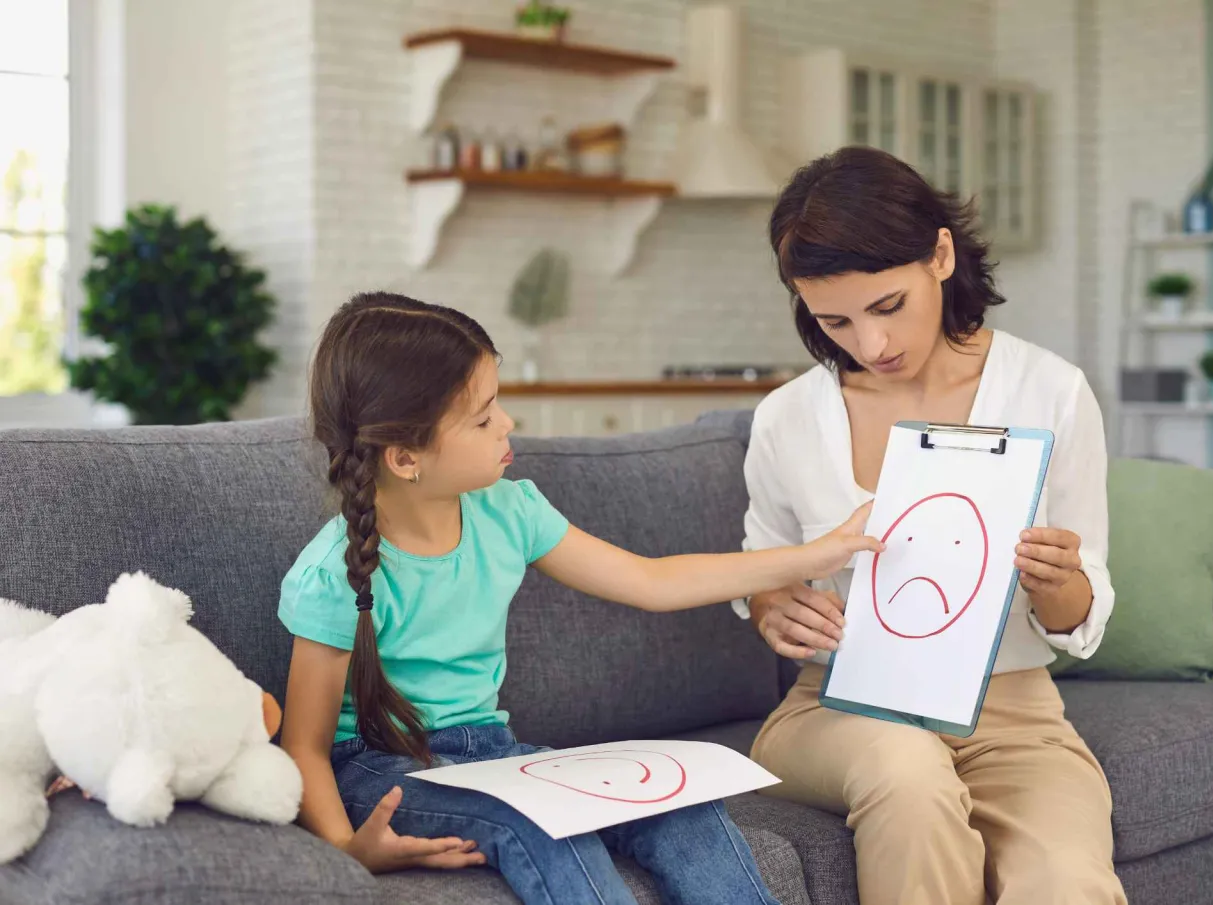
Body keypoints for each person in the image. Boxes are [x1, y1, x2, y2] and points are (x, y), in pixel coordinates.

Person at [277, 292, 883, 905]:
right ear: (406, 457)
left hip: (493, 753)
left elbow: (652, 582)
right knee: (540, 825)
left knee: (678, 807)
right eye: (483, 418)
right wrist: (349, 848)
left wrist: (815, 556)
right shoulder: (334, 576)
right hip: (383, 771)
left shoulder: (510, 511)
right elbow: (305, 745)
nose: (508, 424)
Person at [736, 146, 1126, 905]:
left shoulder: (1051, 391)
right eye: (834, 320)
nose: (871, 345)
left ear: (941, 254)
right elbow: (762, 573)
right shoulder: (787, 417)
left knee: (1066, 882)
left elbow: (1082, 616)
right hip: (837, 706)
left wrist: (1060, 581)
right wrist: (770, 605)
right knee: (906, 770)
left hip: (1012, 713)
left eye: (887, 306)